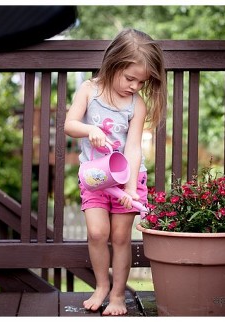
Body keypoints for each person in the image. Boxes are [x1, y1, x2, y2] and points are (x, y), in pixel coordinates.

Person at [64, 28, 167, 316]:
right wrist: (90, 129)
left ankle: (119, 295)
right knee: (97, 233)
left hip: (127, 180)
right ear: (112, 64)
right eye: (130, 78)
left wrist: (132, 188)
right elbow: (70, 125)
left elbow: (133, 148)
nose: (134, 86)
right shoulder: (89, 90)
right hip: (95, 178)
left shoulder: (137, 104)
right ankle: (101, 286)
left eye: (141, 82)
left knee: (121, 238)